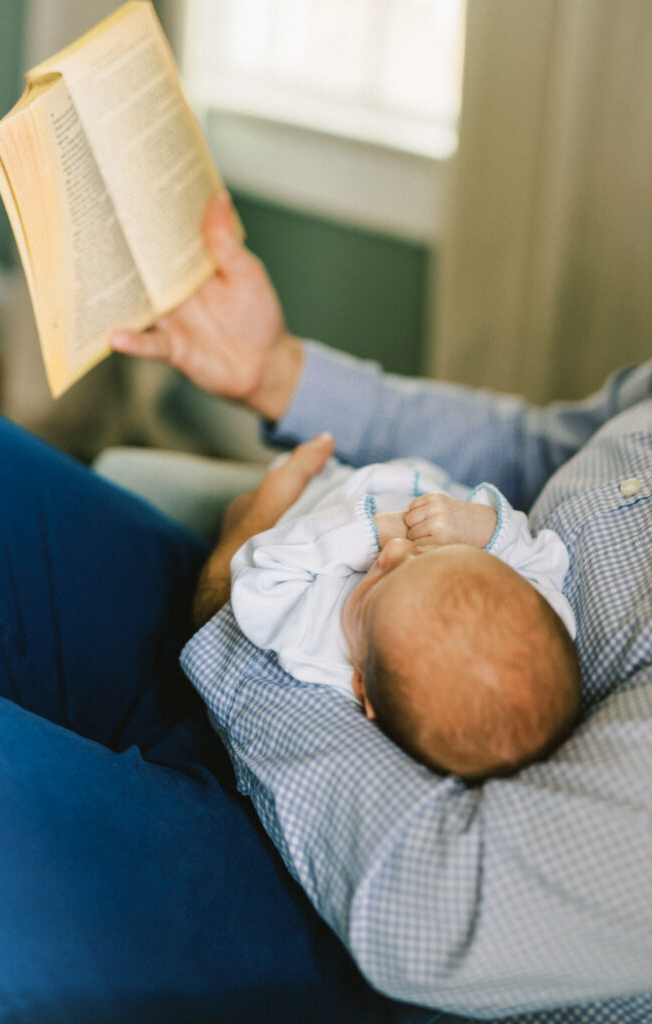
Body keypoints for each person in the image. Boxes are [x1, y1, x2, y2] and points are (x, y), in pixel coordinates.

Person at [112, 192, 652, 1022]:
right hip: (239, 651)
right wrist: (279, 372)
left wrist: (227, 600)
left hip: (328, 881)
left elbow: (440, 910)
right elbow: (546, 451)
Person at [230, 451, 581, 780]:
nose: (396, 550)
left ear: (361, 686)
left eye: (379, 582)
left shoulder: (315, 644)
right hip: (429, 483)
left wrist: (374, 531)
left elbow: (259, 568)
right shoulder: (537, 619)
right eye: (428, 559)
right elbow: (543, 560)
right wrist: (481, 529)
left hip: (321, 489)